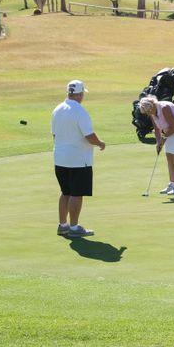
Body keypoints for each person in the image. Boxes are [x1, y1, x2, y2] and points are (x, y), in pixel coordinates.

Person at [51, 80, 105, 237]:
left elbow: (54, 135)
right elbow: (89, 136)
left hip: (60, 159)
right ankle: (74, 228)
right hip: (78, 160)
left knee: (65, 192)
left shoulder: (57, 109)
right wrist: (100, 143)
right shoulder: (80, 111)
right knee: (76, 194)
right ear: (80, 94)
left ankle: (63, 225)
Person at [138, 95, 174, 195]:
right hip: (170, 131)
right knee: (169, 156)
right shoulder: (152, 112)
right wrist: (159, 142)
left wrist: (164, 138)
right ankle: (172, 184)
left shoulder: (164, 108)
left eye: (148, 111)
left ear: (152, 105)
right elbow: (157, 129)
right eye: (146, 112)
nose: (148, 113)